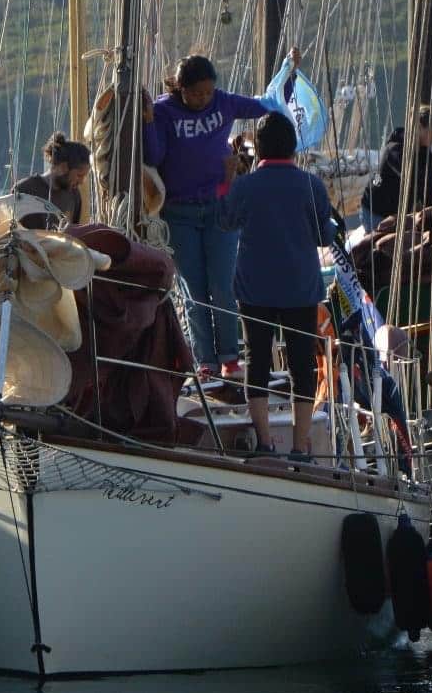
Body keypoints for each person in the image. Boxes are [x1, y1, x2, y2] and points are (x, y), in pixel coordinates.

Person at [142, 52, 284, 377]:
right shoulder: (165, 111)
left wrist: (287, 78)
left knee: (222, 285)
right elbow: (154, 155)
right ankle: (205, 361)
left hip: (219, 207)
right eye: (196, 93)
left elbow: (264, 105)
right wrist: (149, 121)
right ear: (181, 88)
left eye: (208, 92)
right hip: (179, 212)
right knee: (194, 290)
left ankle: (230, 358)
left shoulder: (223, 103)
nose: (203, 99)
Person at [220, 112, 335, 459]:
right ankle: (301, 446)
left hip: (255, 287)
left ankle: (266, 443)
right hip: (300, 286)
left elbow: (225, 221)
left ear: (260, 149)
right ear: (293, 147)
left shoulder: (245, 186)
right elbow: (323, 236)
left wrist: (227, 180)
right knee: (302, 365)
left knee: (257, 362)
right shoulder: (311, 185)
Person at [364, 105, 432, 223]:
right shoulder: (394, 150)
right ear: (419, 127)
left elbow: (429, 191)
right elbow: (418, 180)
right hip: (375, 213)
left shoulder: (425, 154)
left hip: (396, 214)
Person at [13, 132, 92, 225]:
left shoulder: (74, 195)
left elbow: (74, 234)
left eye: (84, 176)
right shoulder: (24, 189)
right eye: (79, 175)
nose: (82, 181)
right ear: (63, 167)